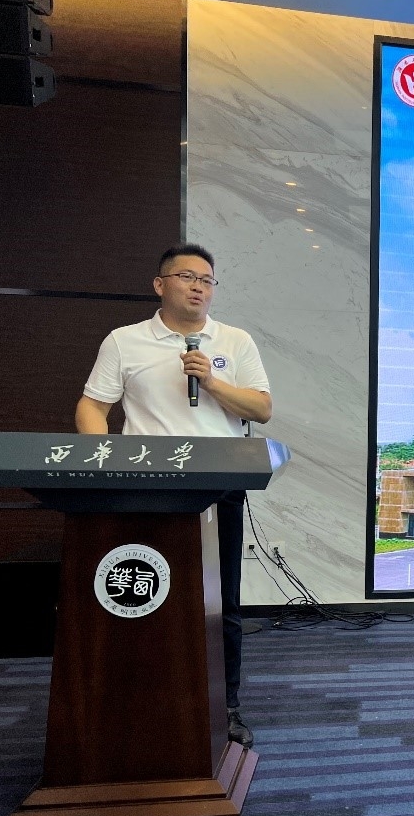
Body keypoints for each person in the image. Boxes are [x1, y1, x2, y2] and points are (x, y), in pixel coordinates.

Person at [75, 244, 272, 749]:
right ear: (160, 284)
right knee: (144, 594)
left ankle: (225, 707)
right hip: (146, 485)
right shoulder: (125, 341)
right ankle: (133, 701)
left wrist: (212, 381)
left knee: (221, 600)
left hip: (218, 483)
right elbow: (93, 406)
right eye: (187, 276)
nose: (199, 286)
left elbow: (261, 408)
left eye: (207, 279)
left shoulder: (235, 340)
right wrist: (105, 462)